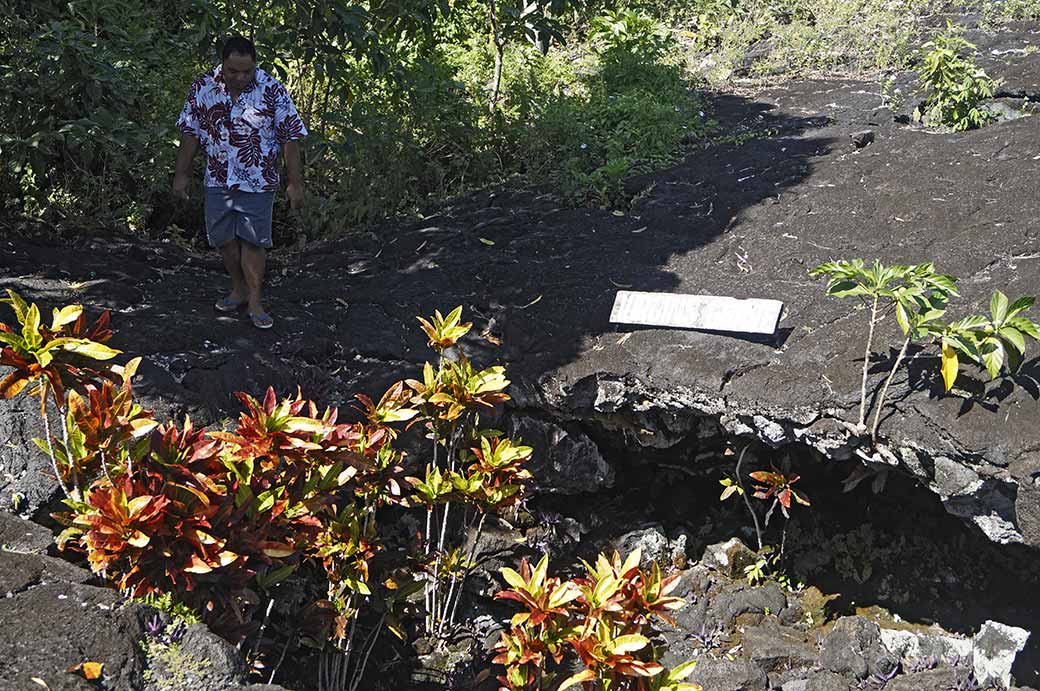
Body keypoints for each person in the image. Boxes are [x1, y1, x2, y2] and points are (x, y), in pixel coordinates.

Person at [172, 36, 307, 330]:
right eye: (233, 71)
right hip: (218, 178)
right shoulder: (203, 87)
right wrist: (181, 175)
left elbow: (290, 136)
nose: (240, 77)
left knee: (253, 240)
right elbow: (190, 132)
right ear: (223, 64)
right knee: (222, 238)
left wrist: (295, 182)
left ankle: (256, 299)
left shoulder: (272, 89)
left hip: (259, 180)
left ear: (255, 65)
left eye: (247, 71)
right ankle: (239, 287)